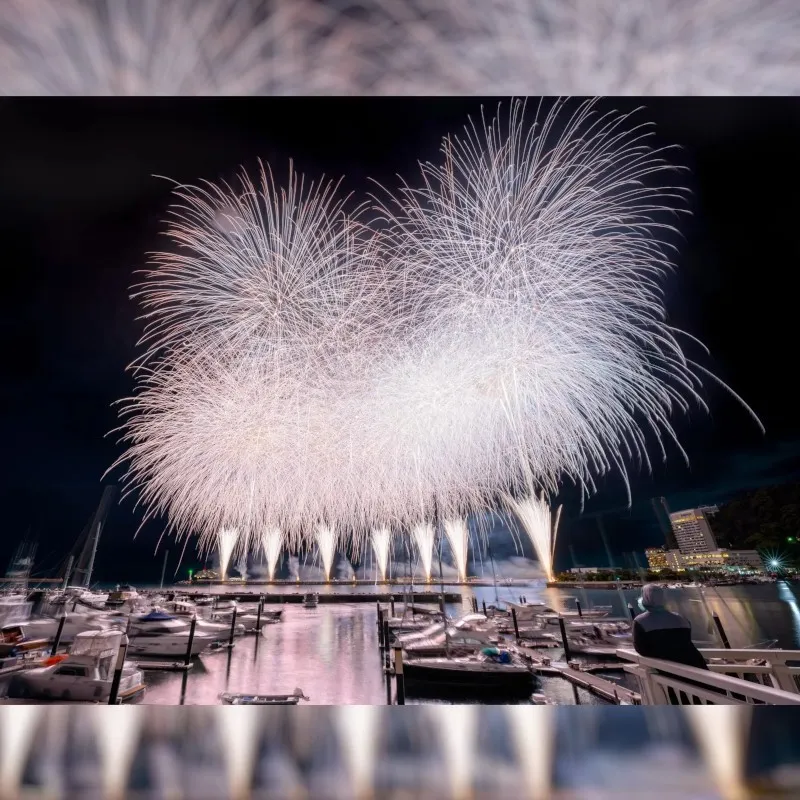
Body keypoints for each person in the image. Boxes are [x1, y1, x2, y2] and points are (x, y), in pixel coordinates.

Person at [632, 583, 708, 670]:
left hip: (671, 669)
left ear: (645, 598)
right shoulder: (681, 619)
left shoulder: (640, 621)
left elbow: (641, 649)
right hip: (696, 664)